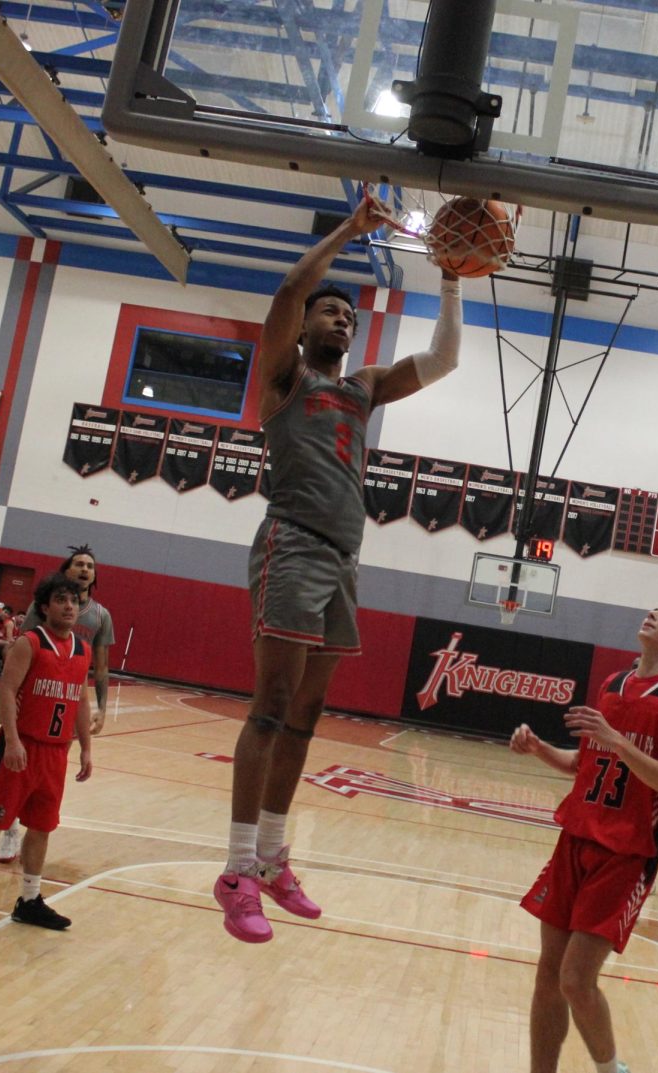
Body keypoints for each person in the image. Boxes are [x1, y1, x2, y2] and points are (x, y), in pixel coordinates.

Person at [214, 191, 464, 943]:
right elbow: (289, 292)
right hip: (290, 543)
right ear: (307, 328)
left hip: (342, 561)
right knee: (271, 703)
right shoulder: (287, 381)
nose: (341, 321)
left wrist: (451, 275)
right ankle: (234, 870)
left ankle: (273, 856)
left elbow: (446, 357)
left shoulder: (363, 387)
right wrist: (347, 233)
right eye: (331, 314)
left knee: (308, 714)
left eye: (349, 318)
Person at [509, 598, 658, 1073]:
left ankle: (610, 1067)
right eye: (654, 609)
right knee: (548, 975)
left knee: (576, 979)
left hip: (627, 852)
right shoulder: (613, 683)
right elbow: (584, 765)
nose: (652, 614)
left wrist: (616, 739)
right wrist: (538, 749)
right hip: (577, 837)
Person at [0, 573, 93, 932]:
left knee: (42, 827)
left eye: (74, 601)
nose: (69, 607)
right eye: (61, 600)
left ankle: (30, 899)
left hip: (56, 751)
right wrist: (12, 741)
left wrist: (87, 748)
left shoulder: (82, 649)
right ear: (44, 607)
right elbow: (5, 691)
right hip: (22, 746)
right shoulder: (30, 643)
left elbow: (80, 699)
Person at [0, 545, 112, 864]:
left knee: (44, 786)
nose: (85, 569)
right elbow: (22, 646)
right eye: (78, 564)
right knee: (10, 770)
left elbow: (101, 667)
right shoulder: (43, 607)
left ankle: (30, 857)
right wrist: (10, 696)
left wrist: (101, 707)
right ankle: (7, 828)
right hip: (33, 694)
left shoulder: (101, 616)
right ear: (67, 570)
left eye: (90, 565)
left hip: (66, 699)